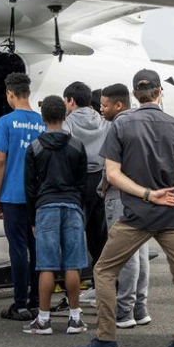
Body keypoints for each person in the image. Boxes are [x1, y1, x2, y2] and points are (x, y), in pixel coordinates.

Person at [72, 69, 174, 347]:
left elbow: (112, 174)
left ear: (134, 95)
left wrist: (145, 194)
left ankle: (106, 338)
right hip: (170, 213)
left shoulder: (121, 125)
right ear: (160, 92)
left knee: (104, 270)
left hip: (135, 214)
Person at [22, 95, 90, 335]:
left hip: (45, 208)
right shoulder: (76, 146)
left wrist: (32, 219)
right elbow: (83, 183)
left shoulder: (35, 147)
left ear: (43, 118)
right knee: (73, 265)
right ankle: (74, 318)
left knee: (47, 266)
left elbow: (29, 188)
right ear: (65, 116)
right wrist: (80, 208)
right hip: (72, 207)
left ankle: (43, 319)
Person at [0, 73, 47, 321]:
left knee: (18, 250)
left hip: (13, 195)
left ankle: (20, 303)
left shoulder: (6, 122)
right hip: (39, 197)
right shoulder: (43, 122)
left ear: (10, 94)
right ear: (28, 93)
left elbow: (0, 160)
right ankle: (37, 302)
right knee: (37, 250)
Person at [97, 83, 151, 327]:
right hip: (143, 195)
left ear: (119, 105)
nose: (101, 109)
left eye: (104, 105)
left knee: (124, 255)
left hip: (121, 195)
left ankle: (125, 310)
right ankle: (140, 308)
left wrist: (102, 186)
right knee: (140, 253)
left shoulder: (118, 125)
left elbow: (110, 168)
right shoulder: (143, 121)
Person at [62, 81, 110, 267]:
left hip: (78, 181)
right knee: (99, 231)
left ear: (71, 100)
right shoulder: (104, 122)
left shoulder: (68, 124)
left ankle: (75, 274)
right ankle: (103, 274)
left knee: (74, 230)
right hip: (102, 178)